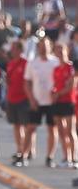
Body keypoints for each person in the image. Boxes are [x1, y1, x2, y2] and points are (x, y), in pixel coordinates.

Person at [24, 36, 61, 167]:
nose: (43, 48)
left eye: (45, 46)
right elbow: (27, 82)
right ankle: (24, 155)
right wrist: (31, 99)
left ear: (50, 46)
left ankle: (50, 157)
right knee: (31, 128)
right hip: (37, 100)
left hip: (52, 101)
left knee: (52, 129)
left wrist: (56, 94)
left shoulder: (56, 62)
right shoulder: (32, 63)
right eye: (40, 46)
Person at [5, 40, 32, 166]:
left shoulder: (26, 63)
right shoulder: (10, 64)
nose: (13, 51)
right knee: (16, 125)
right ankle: (19, 149)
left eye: (15, 48)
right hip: (12, 98)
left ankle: (27, 151)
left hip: (23, 99)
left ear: (21, 50)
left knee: (27, 126)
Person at [51, 43, 77, 167]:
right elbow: (55, 85)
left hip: (68, 101)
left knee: (70, 131)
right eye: (57, 50)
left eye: (62, 50)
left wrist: (59, 93)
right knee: (61, 130)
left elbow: (71, 85)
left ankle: (74, 158)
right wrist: (54, 94)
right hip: (58, 102)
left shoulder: (70, 67)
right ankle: (66, 157)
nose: (60, 53)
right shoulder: (56, 69)